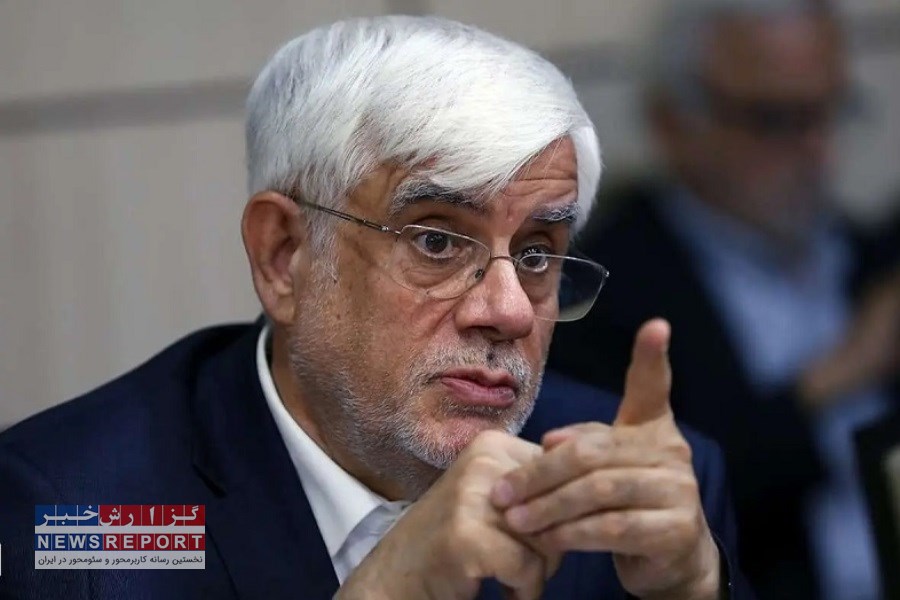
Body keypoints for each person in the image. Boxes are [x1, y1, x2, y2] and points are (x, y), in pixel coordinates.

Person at [0, 16, 753, 599]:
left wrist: (696, 588)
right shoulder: (77, 517)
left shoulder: (632, 495)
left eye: (536, 253)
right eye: (436, 241)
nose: (510, 312)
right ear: (285, 256)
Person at [548, 2, 900, 599]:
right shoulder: (603, 297)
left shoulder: (867, 253)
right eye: (776, 121)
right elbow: (668, 508)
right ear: (674, 124)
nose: (820, 149)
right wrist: (838, 375)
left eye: (831, 111)